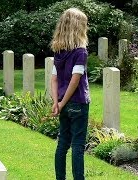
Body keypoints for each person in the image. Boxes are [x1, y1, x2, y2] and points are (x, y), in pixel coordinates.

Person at [50, 8, 90, 180]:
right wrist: (63, 102)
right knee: (78, 146)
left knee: (62, 143)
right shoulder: (80, 52)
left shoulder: (59, 51)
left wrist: (56, 102)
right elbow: (75, 80)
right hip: (78, 103)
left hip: (62, 103)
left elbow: (54, 79)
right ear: (78, 27)